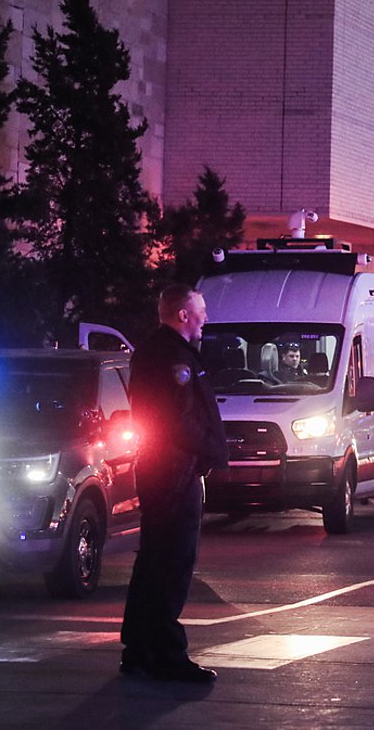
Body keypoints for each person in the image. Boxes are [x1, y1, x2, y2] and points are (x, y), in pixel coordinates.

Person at [120, 284, 228, 683]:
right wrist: (210, 450)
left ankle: (139, 650)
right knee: (172, 563)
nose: (206, 319)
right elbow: (179, 419)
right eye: (201, 311)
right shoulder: (172, 356)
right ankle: (166, 655)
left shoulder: (160, 351)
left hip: (164, 470)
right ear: (183, 315)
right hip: (174, 473)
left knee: (153, 561)